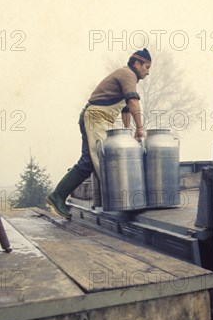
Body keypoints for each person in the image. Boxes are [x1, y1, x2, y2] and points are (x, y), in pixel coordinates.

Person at [46, 49, 151, 219]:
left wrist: (126, 133)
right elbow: (132, 101)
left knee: (88, 161)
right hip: (96, 117)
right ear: (137, 64)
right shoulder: (128, 74)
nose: (148, 72)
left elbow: (125, 107)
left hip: (99, 118)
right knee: (105, 160)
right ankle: (121, 201)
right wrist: (140, 128)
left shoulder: (128, 77)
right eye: (146, 67)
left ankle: (58, 196)